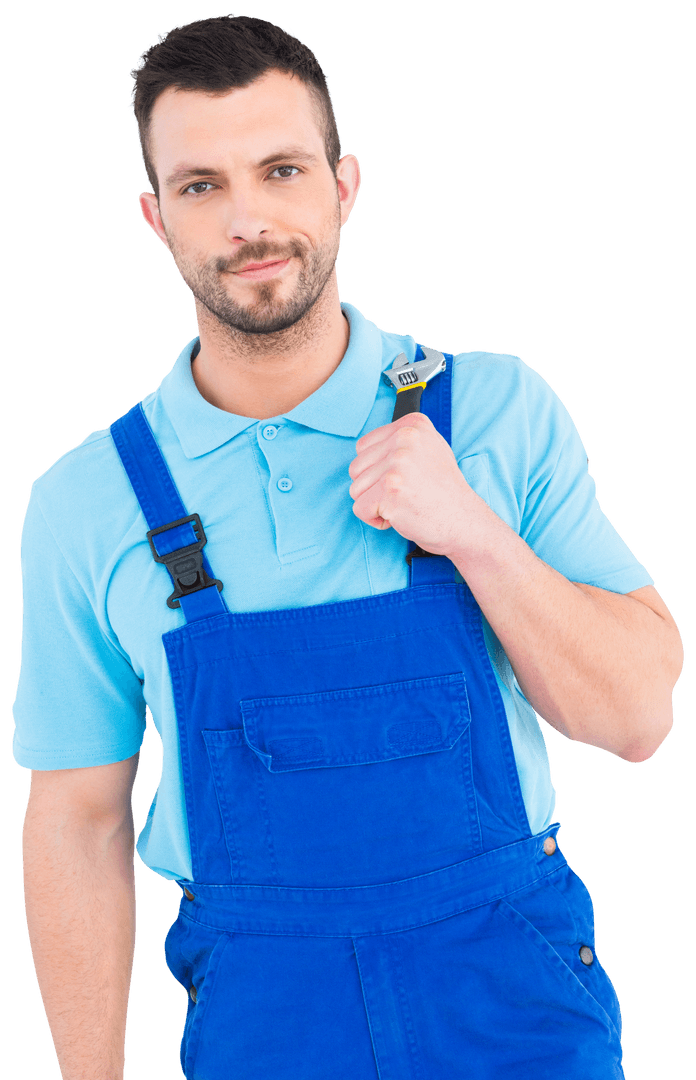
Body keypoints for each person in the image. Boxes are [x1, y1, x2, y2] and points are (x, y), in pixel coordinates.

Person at [12, 13, 683, 1080]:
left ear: (343, 185)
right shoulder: (88, 502)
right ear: (156, 219)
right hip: (266, 1020)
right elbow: (78, 823)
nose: (249, 220)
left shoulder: (496, 412)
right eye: (201, 187)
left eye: (281, 169)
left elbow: (639, 718)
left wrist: (471, 533)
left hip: (512, 1001)